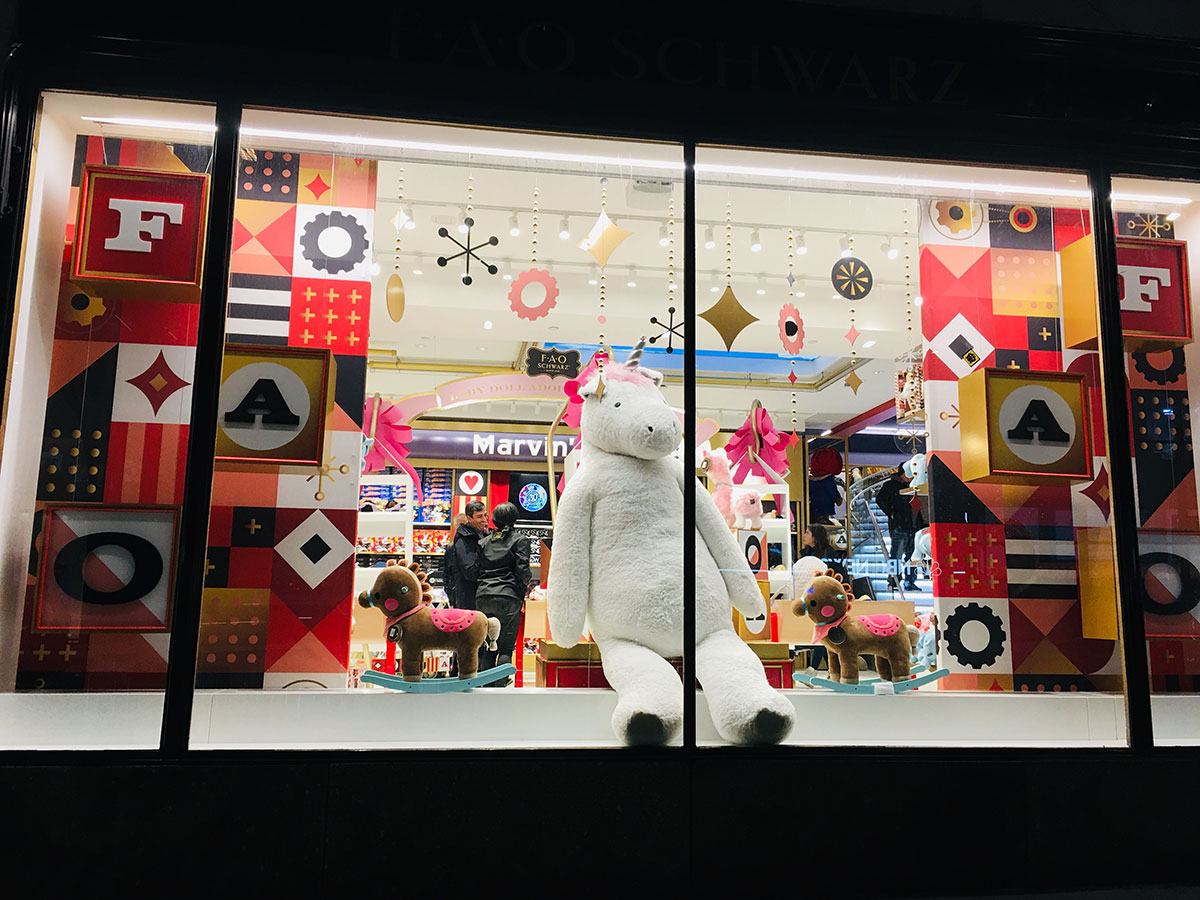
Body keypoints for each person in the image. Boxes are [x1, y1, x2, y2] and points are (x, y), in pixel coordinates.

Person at [474, 502, 535, 687]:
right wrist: (524, 586)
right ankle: (500, 688)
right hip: (507, 597)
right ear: (514, 518)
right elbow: (523, 570)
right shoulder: (520, 540)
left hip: (483, 596)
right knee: (505, 647)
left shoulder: (483, 542)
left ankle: (485, 688)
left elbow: (476, 569)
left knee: (488, 646)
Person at [875, 467, 924, 591]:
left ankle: (910, 581)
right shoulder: (891, 485)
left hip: (913, 526)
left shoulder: (914, 485)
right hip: (899, 526)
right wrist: (891, 513)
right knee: (896, 555)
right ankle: (894, 581)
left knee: (912, 555)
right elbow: (880, 499)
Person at [443, 501, 489, 610]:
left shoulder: (483, 536)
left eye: (485, 515)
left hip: (479, 596)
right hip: (468, 600)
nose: (484, 519)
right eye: (479, 516)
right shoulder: (463, 541)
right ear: (469, 518)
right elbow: (470, 572)